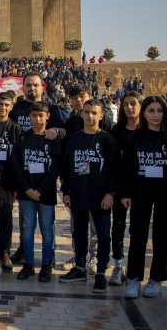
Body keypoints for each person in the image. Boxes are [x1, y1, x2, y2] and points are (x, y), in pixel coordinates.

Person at [120, 96, 167, 299]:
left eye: (159, 110)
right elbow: (126, 167)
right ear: (143, 113)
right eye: (151, 111)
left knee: (161, 236)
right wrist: (125, 192)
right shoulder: (135, 137)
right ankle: (134, 278)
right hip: (140, 191)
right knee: (138, 235)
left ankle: (156, 278)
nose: (155, 115)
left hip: (166, 192)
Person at [59, 99, 117, 294]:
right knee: (79, 233)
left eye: (94, 113)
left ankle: (101, 272)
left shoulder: (107, 139)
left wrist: (110, 193)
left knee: (102, 235)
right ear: (81, 114)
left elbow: (113, 170)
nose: (90, 116)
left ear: (101, 115)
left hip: (100, 196)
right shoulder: (74, 139)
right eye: (86, 112)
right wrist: (66, 191)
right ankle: (80, 266)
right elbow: (66, 167)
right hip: (78, 194)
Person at [12, 102, 62, 283]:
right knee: (27, 229)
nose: (38, 119)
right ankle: (29, 264)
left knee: (47, 230)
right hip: (27, 192)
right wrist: (27, 188)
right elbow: (16, 164)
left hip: (45, 193)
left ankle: (47, 265)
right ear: (30, 117)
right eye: (34, 116)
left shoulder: (52, 139)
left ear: (47, 116)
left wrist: (40, 190)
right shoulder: (23, 137)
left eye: (41, 116)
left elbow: (55, 168)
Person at [109, 91, 143, 286]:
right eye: (126, 104)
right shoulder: (117, 131)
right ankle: (118, 265)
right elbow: (114, 163)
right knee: (118, 227)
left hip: (141, 188)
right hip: (121, 187)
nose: (129, 108)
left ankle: (135, 269)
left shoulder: (148, 130)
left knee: (138, 229)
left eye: (133, 104)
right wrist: (117, 191)